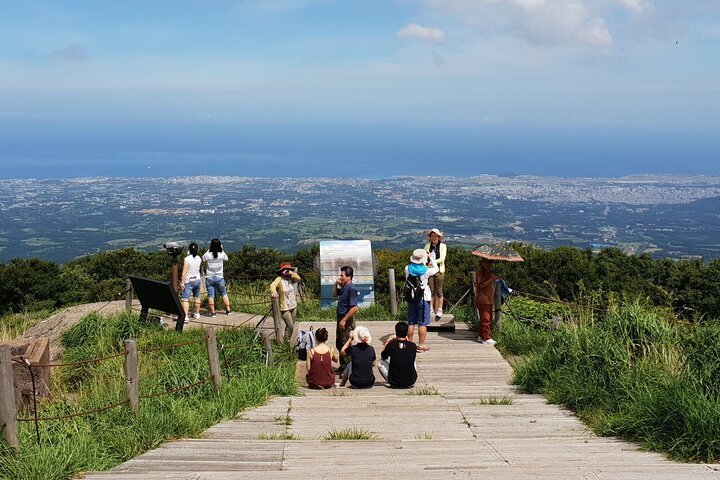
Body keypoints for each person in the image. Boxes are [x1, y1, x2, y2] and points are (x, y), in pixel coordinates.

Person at [405, 249, 438, 352]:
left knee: (411, 322)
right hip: (423, 298)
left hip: (411, 298)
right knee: (422, 323)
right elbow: (436, 268)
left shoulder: (407, 268)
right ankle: (421, 345)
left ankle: (409, 344)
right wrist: (431, 258)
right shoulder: (426, 270)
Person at [379, 321, 417, 389]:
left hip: (394, 382)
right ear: (407, 332)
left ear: (396, 332)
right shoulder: (413, 346)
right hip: (411, 381)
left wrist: (387, 342)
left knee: (380, 362)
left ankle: (393, 380)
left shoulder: (391, 345)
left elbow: (383, 357)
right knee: (412, 360)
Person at [269, 262, 301, 342]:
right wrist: (274, 292)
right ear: (281, 271)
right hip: (285, 307)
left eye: (289, 269)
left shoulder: (291, 279)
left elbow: (298, 278)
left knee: (291, 325)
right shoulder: (279, 279)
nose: (287, 271)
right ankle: (287, 340)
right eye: (286, 270)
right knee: (290, 326)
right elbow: (272, 285)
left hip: (293, 305)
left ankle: (287, 340)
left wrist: (291, 273)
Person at [334, 265, 358, 371]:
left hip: (346, 321)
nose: (340, 277)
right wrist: (336, 284)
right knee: (339, 343)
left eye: (342, 275)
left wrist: (344, 320)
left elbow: (354, 308)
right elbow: (335, 294)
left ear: (349, 276)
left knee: (346, 344)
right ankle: (343, 366)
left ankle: (349, 368)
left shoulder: (351, 289)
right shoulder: (344, 287)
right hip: (340, 319)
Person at [202, 238, 231, 318]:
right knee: (224, 293)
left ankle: (213, 312)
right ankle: (228, 310)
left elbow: (203, 258)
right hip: (219, 277)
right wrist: (222, 250)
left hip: (210, 277)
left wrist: (209, 250)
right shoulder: (221, 254)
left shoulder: (208, 255)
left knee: (210, 295)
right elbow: (227, 259)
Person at [424, 228, 447, 320]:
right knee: (431, 291)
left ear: (439, 237)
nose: (433, 237)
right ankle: (431, 309)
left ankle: (440, 309)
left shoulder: (443, 246)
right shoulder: (427, 245)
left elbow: (442, 259)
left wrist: (432, 262)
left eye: (435, 236)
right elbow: (425, 256)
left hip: (439, 271)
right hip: (429, 271)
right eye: (432, 236)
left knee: (439, 291)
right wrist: (427, 263)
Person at [475, 258, 497, 345]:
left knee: (487, 318)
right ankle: (486, 338)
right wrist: (491, 279)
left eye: (490, 263)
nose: (489, 264)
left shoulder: (488, 273)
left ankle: (481, 335)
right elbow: (481, 285)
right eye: (487, 263)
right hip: (483, 300)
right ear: (483, 264)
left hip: (488, 299)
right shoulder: (480, 273)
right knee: (486, 319)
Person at [180, 242, 202, 320]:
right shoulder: (199, 258)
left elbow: (184, 271)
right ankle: (197, 313)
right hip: (197, 279)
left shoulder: (187, 259)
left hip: (188, 281)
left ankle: (185, 316)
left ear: (189, 250)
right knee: (197, 297)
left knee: (185, 299)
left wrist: (182, 282)